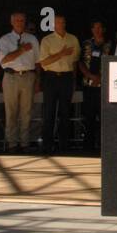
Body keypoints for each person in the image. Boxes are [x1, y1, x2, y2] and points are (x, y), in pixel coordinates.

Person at [0, 11, 39, 153]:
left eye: (22, 20)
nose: (20, 23)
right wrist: (21, 50)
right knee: (11, 111)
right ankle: (12, 143)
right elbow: (4, 60)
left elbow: (38, 61)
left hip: (28, 76)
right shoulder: (5, 39)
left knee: (26, 111)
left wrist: (38, 80)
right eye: (17, 20)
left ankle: (25, 142)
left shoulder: (32, 38)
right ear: (12, 22)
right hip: (11, 77)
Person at [38, 14, 80, 154]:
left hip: (66, 78)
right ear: (53, 25)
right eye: (58, 22)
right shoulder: (47, 40)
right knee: (49, 112)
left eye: (63, 22)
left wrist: (73, 81)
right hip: (51, 78)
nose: (61, 24)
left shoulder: (73, 39)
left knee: (65, 112)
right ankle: (47, 146)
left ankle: (64, 146)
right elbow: (44, 62)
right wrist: (61, 54)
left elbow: (75, 62)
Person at [79, 20, 111, 152]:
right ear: (92, 30)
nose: (97, 30)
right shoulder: (85, 44)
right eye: (95, 28)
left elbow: (114, 62)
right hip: (88, 85)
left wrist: (101, 78)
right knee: (89, 117)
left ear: (103, 29)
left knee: (104, 118)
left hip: (105, 87)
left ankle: (104, 146)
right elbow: (79, 62)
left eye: (100, 28)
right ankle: (88, 147)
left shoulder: (110, 44)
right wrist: (91, 76)